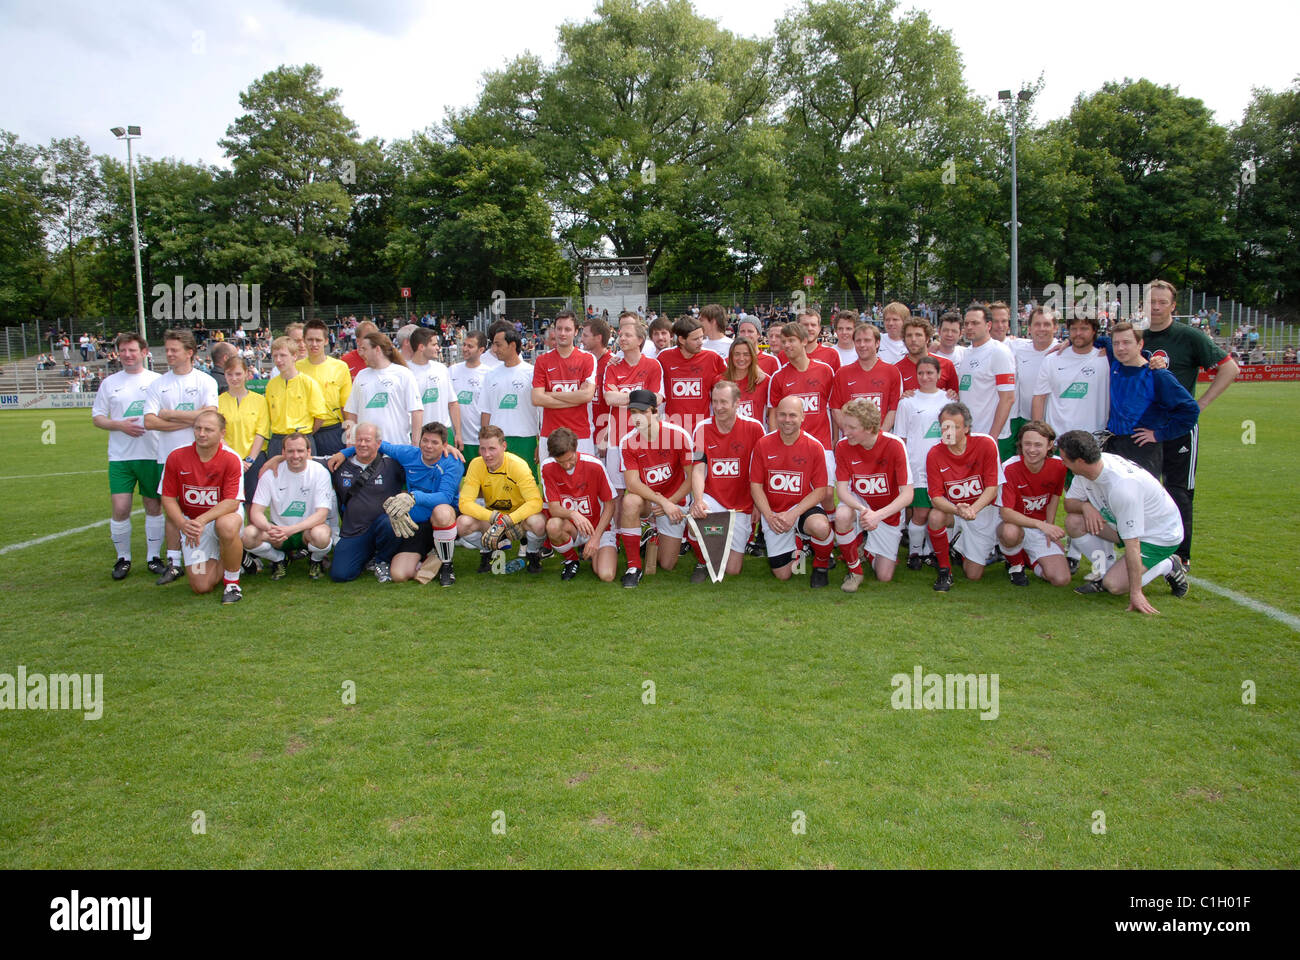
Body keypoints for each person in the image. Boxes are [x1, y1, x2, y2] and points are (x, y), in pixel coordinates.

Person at [1140, 279, 1238, 569]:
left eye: (1162, 302)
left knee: (1178, 490)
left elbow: (1229, 368)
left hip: (1178, 427)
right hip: (1143, 428)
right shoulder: (1137, 335)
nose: (1156, 307)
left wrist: (1200, 405)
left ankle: (1181, 556)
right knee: (1143, 489)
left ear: (1173, 306)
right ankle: (1148, 549)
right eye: (1151, 302)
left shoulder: (1188, 336)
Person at [1058, 429, 1188, 613]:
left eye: (1064, 459)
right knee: (1074, 522)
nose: (1062, 462)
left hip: (1157, 536)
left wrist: (1136, 593)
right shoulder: (1087, 470)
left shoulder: (1122, 487)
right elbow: (1070, 504)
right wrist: (1086, 507)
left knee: (1115, 586)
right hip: (1125, 525)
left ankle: (1168, 564)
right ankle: (1105, 570)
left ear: (1079, 461)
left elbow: (1133, 543)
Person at [331, 422, 463, 586]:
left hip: (444, 520)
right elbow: (377, 445)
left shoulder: (452, 462)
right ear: (419, 441)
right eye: (425, 440)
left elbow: (445, 497)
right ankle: (430, 554)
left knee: (441, 512)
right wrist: (345, 452)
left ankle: (446, 565)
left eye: (435, 442)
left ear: (445, 445)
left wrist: (414, 497)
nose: (428, 446)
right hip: (418, 522)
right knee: (399, 574)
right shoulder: (409, 454)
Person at [143, 329, 220, 585]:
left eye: (174, 350)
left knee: (207, 505)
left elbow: (209, 415)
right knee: (172, 508)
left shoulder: (205, 381)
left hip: (204, 457)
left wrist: (169, 413)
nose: (169, 354)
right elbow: (150, 421)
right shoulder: (158, 384)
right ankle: (174, 562)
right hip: (169, 458)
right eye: (167, 350)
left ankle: (213, 553)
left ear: (189, 352)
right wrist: (190, 420)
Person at [92, 332, 165, 579]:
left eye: (132, 350)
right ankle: (123, 558)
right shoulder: (110, 383)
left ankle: (154, 557)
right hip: (121, 456)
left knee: (153, 505)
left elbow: (165, 414)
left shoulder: (158, 381)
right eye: (123, 350)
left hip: (152, 453)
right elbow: (98, 418)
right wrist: (120, 425)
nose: (127, 355)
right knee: (121, 507)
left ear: (144, 352)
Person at [158, 409, 246, 602]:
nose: (202, 433)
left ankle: (232, 583)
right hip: (193, 524)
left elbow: (232, 501)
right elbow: (168, 498)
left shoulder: (231, 458)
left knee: (227, 526)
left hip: (220, 517)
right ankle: (236, 556)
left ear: (222, 433)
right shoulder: (176, 456)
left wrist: (201, 521)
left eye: (208, 429)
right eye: (198, 428)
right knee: (201, 585)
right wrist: (183, 524)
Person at [750, 395, 835, 587]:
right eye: (782, 415)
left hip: (801, 509)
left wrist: (793, 514)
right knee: (783, 575)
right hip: (774, 514)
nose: (787, 420)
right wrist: (769, 517)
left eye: (792, 415)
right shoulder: (763, 444)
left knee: (821, 528)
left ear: (803, 417)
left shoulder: (814, 446)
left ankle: (821, 565)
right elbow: (756, 486)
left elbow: (822, 490)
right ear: (776, 416)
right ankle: (800, 541)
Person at [688, 380, 765, 582]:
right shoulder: (702, 428)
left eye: (724, 402)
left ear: (737, 403)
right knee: (697, 517)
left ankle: (718, 541)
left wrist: (758, 503)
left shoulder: (754, 428)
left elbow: (761, 470)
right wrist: (697, 500)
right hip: (712, 496)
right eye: (715, 401)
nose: (718, 407)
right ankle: (702, 560)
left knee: (732, 569)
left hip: (742, 503)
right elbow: (698, 468)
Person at [616, 389, 694, 587]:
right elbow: (632, 483)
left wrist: (671, 502)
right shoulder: (627, 442)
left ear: (655, 411)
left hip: (675, 500)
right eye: (633, 412)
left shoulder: (678, 435)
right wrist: (662, 502)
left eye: (643, 412)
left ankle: (649, 535)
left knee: (668, 564)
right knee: (630, 501)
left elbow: (693, 477)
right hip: (650, 501)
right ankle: (634, 566)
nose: (638, 418)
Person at [832, 399, 913, 590]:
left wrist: (878, 515)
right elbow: (842, 490)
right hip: (861, 502)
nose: (846, 432)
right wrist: (862, 509)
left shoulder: (894, 445)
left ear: (868, 428)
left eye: (852, 427)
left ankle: (864, 548)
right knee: (843, 515)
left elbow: (907, 494)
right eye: (845, 426)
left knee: (884, 576)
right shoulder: (843, 446)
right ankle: (855, 572)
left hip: (887, 510)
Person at [1103, 321, 1199, 480]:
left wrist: (1159, 434)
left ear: (1140, 344)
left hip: (1142, 450)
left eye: (1127, 342)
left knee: (1140, 500)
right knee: (1114, 500)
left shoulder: (1157, 375)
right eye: (1116, 343)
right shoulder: (1116, 363)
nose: (1120, 348)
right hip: (1114, 447)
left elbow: (1190, 410)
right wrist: (1067, 342)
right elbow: (1093, 338)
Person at [924, 401, 1004, 591]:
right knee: (935, 516)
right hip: (954, 510)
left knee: (973, 575)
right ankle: (945, 571)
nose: (948, 431)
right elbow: (935, 497)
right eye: (945, 426)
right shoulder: (934, 454)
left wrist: (972, 510)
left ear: (967, 428)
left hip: (982, 510)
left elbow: (992, 488)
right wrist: (958, 510)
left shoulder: (986, 444)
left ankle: (959, 549)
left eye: (955, 427)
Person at [243, 432, 337, 581]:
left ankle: (316, 561)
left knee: (322, 535)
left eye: (300, 451)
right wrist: (269, 528)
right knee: (247, 535)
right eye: (290, 451)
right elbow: (256, 512)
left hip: (307, 531)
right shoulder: (270, 473)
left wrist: (292, 529)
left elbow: (322, 514)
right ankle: (279, 559)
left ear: (308, 452)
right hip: (278, 531)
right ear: (283, 452)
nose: (295, 455)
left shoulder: (320, 472)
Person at [457, 425, 547, 574]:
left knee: (538, 523)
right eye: (483, 449)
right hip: (493, 519)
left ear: (503, 446)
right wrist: (495, 518)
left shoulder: (518, 465)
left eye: (492, 448)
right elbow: (464, 503)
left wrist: (510, 519)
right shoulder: (476, 464)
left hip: (518, 521)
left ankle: (532, 553)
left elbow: (535, 501)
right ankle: (488, 550)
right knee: (462, 523)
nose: (487, 455)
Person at [325, 422, 406, 583]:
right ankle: (367, 555)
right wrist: (277, 459)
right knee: (340, 575)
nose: (362, 444)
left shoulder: (392, 465)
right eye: (359, 440)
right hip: (354, 531)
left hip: (384, 527)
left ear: (378, 443)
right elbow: (301, 459)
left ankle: (383, 559)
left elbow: (424, 458)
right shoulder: (339, 464)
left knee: (391, 521)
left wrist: (449, 448)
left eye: (367, 440)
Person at [997, 420, 1071, 587]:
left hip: (1039, 527)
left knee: (1061, 579)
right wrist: (1041, 525)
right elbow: (1006, 513)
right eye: (1027, 444)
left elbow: (1054, 496)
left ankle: (1027, 559)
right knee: (1010, 533)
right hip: (1013, 523)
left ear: (1050, 445)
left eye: (1038, 445)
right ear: (1020, 444)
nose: (1031, 450)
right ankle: (1015, 564)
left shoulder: (1059, 466)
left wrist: (1049, 528)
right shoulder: (1009, 468)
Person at [541, 426, 617, 582]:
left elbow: (610, 505)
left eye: (570, 459)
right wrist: (574, 514)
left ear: (576, 449)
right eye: (561, 462)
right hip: (571, 527)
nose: (567, 465)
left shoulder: (594, 465)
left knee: (606, 575)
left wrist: (595, 538)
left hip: (598, 528)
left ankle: (592, 549)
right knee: (553, 526)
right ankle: (572, 559)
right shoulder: (547, 467)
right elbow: (554, 509)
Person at [894, 356, 949, 569]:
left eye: (930, 373)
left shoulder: (949, 401)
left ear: (938, 375)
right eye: (921, 373)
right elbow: (902, 438)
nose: (925, 377)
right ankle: (915, 553)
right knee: (920, 512)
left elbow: (951, 438)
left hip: (942, 468)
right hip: (917, 466)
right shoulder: (907, 402)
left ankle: (931, 552)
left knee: (938, 512)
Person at [532, 310, 597, 461]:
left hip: (580, 434)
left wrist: (550, 394)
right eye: (559, 328)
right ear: (554, 330)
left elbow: (587, 395)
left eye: (567, 329)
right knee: (552, 483)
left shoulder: (587, 359)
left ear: (575, 332)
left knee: (583, 483)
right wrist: (575, 398)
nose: (562, 333)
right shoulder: (542, 360)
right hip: (549, 434)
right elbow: (536, 399)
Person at [955, 304, 1017, 461]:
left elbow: (1008, 398)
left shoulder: (999, 352)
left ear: (988, 325)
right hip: (969, 434)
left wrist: (993, 436)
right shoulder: (966, 353)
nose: (969, 327)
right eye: (966, 323)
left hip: (990, 436)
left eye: (975, 323)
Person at [482, 326, 540, 480]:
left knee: (525, 482)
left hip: (525, 439)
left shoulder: (532, 373)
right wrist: (484, 441)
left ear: (513, 345)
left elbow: (541, 411)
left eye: (498, 344)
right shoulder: (490, 375)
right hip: (497, 439)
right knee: (497, 483)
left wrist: (540, 442)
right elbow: (486, 411)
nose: (494, 349)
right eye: (493, 344)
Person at [344, 331, 422, 446]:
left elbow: (417, 411)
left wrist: (415, 444)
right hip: (366, 449)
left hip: (397, 446)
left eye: (365, 349)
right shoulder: (361, 375)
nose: (361, 353)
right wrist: (350, 443)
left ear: (377, 350)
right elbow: (351, 413)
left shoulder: (403, 374)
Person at [655, 315, 726, 438]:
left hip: (701, 429)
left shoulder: (712, 357)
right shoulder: (664, 357)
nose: (701, 342)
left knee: (698, 458)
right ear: (682, 340)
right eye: (695, 339)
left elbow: (734, 377)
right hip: (672, 429)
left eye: (701, 337)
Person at [216, 354, 271, 509]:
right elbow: (218, 434)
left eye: (238, 373)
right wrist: (235, 459)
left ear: (247, 374)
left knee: (253, 505)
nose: (234, 378)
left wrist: (249, 460)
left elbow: (261, 433)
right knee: (228, 504)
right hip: (227, 460)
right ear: (225, 375)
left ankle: (252, 533)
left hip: (253, 460)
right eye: (229, 374)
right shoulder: (218, 401)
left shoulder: (260, 400)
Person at [830, 322, 902, 434]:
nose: (862, 345)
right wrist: (852, 432)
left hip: (880, 441)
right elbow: (835, 409)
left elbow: (893, 409)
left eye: (867, 340)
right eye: (858, 341)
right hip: (852, 440)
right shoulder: (842, 373)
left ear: (877, 343)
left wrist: (878, 436)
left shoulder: (891, 371)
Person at [398, 326, 461, 449]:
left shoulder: (442, 369)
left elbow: (453, 403)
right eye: (434, 344)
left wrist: (458, 433)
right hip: (417, 435)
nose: (438, 348)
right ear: (421, 347)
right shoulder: (404, 372)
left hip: (443, 433)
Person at [297, 318, 353, 456]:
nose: (314, 344)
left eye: (318, 340)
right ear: (304, 340)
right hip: (304, 432)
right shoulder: (296, 368)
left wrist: (350, 435)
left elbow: (347, 405)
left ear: (326, 341)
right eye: (310, 340)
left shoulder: (340, 367)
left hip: (332, 431)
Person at [264, 336, 326, 457]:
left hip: (301, 439)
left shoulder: (308, 383)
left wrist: (304, 435)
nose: (278, 360)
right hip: (277, 441)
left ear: (294, 356)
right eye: (275, 356)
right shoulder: (271, 384)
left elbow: (320, 416)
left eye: (283, 355)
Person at [1007, 307, 1058, 445]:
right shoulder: (1018, 348)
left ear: (1055, 328)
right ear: (1029, 328)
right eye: (1037, 324)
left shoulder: (1062, 350)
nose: (1042, 329)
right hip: (1026, 420)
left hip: (1055, 424)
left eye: (1047, 324)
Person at [450, 330, 491, 461]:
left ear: (481, 350)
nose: (465, 349)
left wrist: (484, 439)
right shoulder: (452, 370)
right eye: (464, 345)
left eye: (470, 346)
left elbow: (489, 409)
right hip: (455, 438)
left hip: (476, 440)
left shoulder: (489, 374)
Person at [894, 317, 959, 395]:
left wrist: (952, 395)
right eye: (909, 335)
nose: (913, 339)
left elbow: (956, 398)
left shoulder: (946, 365)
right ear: (904, 339)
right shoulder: (896, 370)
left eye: (918, 335)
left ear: (927, 338)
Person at [581, 317, 615, 462]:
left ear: (598, 338)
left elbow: (617, 408)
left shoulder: (613, 363)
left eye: (585, 335)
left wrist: (606, 437)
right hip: (585, 435)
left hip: (603, 439)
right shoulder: (582, 361)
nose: (581, 339)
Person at [723, 336, 769, 423]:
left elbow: (772, 414)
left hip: (755, 435)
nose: (741, 358)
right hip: (728, 435)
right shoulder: (720, 381)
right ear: (731, 356)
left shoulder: (764, 381)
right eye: (737, 354)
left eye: (746, 354)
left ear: (752, 356)